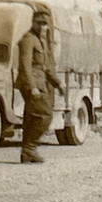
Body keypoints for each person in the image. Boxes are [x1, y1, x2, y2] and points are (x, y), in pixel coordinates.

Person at [16, 11, 62, 164]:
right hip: (33, 85)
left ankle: (27, 152)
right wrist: (32, 87)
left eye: (45, 23)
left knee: (31, 118)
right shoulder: (28, 39)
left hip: (40, 83)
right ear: (33, 23)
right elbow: (25, 65)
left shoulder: (40, 40)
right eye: (39, 23)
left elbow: (46, 67)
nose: (42, 26)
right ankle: (29, 148)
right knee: (45, 115)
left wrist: (57, 83)